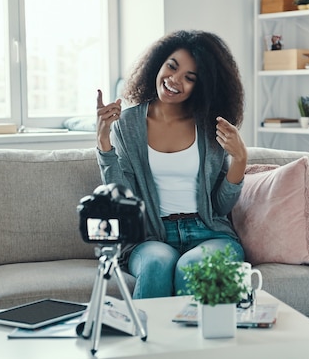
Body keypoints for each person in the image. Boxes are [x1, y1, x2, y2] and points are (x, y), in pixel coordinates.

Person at [95, 30, 247, 299]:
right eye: (171, 67)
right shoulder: (128, 125)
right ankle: (146, 340)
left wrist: (240, 159)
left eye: (190, 78)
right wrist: (104, 142)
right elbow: (123, 198)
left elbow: (221, 207)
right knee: (156, 263)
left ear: (202, 86)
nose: (174, 80)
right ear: (158, 64)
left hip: (209, 234)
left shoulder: (211, 126)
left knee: (193, 266)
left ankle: (190, 341)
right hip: (153, 237)